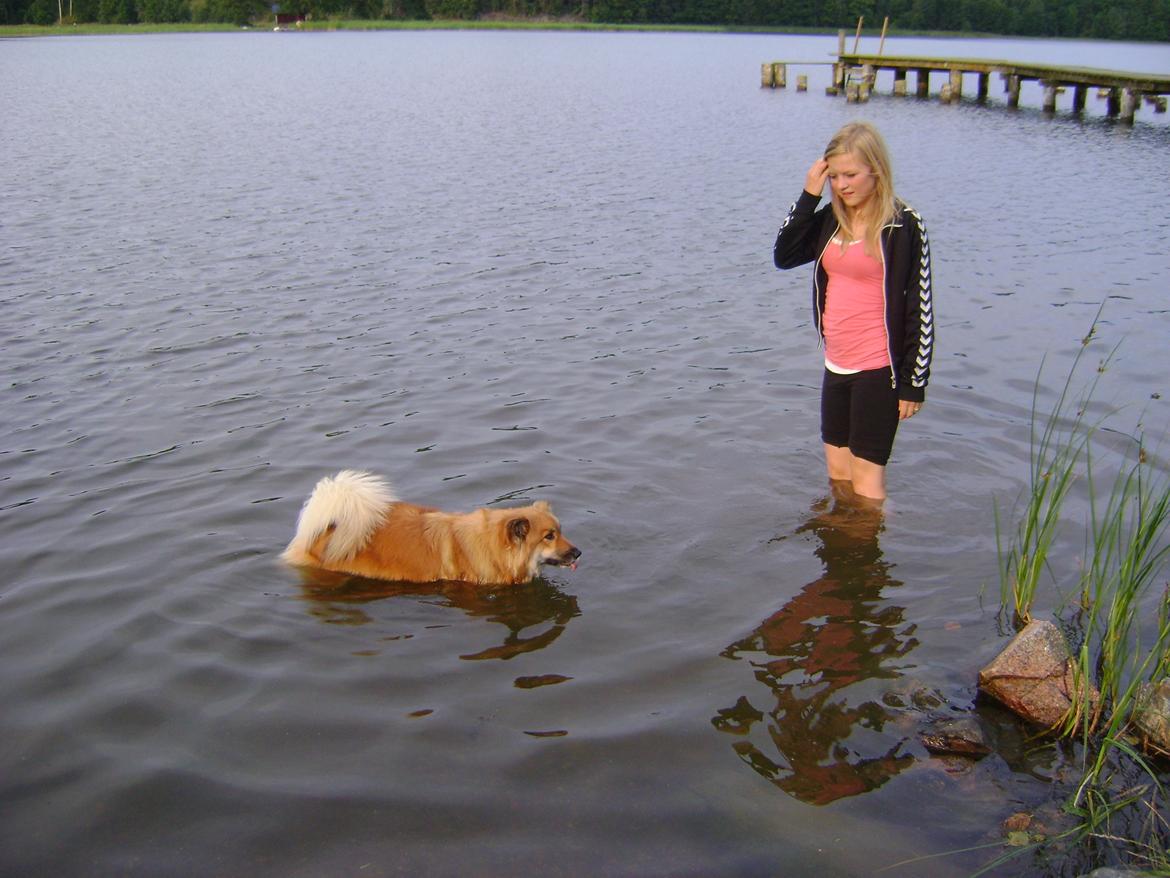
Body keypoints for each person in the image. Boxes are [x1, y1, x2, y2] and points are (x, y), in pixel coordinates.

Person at [773, 121, 934, 501]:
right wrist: (809, 194)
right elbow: (784, 255)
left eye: (851, 175)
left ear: (875, 171)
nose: (842, 185)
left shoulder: (903, 224)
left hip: (880, 370)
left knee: (867, 482)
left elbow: (920, 304)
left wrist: (915, 381)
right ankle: (844, 553)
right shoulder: (830, 218)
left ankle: (869, 552)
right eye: (835, 176)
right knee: (838, 477)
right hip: (837, 364)